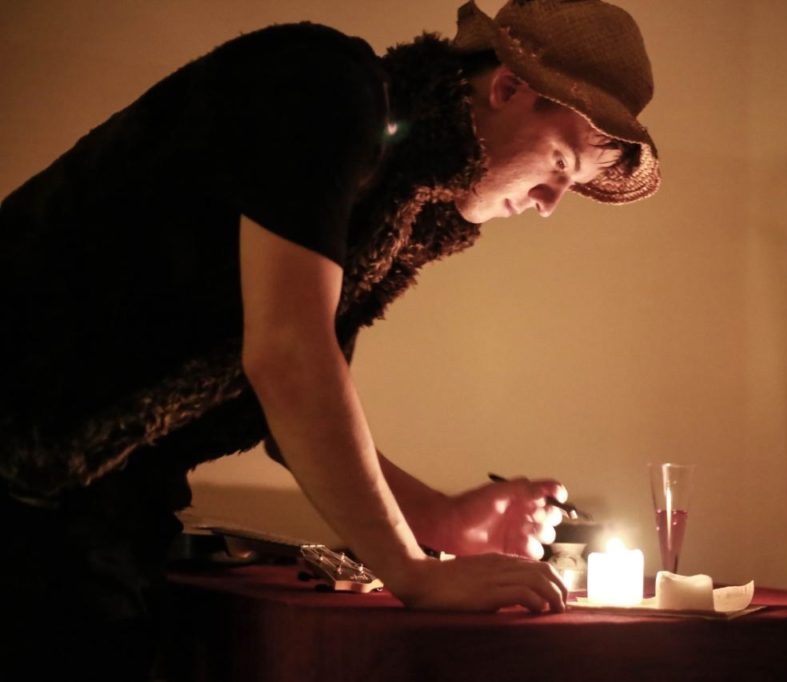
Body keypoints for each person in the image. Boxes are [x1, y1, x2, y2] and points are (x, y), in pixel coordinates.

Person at [0, 0, 658, 678]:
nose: (548, 204)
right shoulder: (324, 84)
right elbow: (288, 358)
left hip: (95, 507)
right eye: (559, 162)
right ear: (508, 87)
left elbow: (292, 418)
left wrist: (444, 519)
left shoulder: (386, 197)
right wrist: (412, 572)